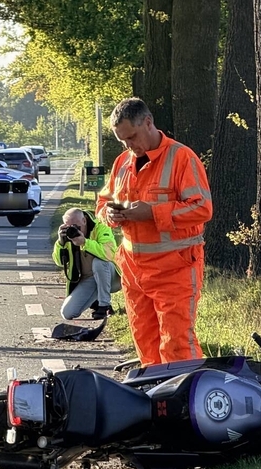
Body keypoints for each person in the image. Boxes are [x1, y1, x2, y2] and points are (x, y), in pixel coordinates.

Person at [96, 97, 213, 366]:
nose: (129, 146)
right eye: (122, 141)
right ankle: (155, 399)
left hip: (176, 270)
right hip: (135, 272)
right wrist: (110, 214)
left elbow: (202, 209)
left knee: (177, 343)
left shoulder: (182, 158)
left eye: (132, 137)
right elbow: (103, 201)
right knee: (145, 342)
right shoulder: (123, 163)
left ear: (148, 122)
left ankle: (186, 403)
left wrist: (151, 212)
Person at [52, 207, 119, 320]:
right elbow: (59, 262)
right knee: (67, 313)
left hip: (112, 276)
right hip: (89, 279)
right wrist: (60, 243)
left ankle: (104, 305)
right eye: (69, 227)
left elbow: (109, 254)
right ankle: (95, 300)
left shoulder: (101, 226)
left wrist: (84, 243)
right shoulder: (68, 236)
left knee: (99, 263)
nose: (74, 230)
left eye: (76, 227)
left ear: (84, 220)